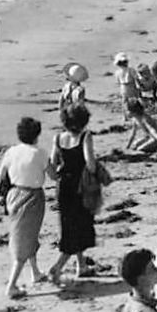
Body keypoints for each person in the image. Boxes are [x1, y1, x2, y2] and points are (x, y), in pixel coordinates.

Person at [0, 116, 50, 299]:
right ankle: (11, 285)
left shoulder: (11, 152)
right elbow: (53, 175)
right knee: (24, 240)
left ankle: (35, 272)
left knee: (27, 234)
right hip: (33, 197)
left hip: (13, 196)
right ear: (37, 134)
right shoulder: (40, 153)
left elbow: (1, 175)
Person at [48, 103, 99, 285]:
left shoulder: (57, 138)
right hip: (80, 188)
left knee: (69, 226)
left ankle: (81, 265)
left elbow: (52, 167)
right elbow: (90, 164)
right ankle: (57, 268)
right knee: (80, 228)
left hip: (63, 187)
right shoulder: (85, 137)